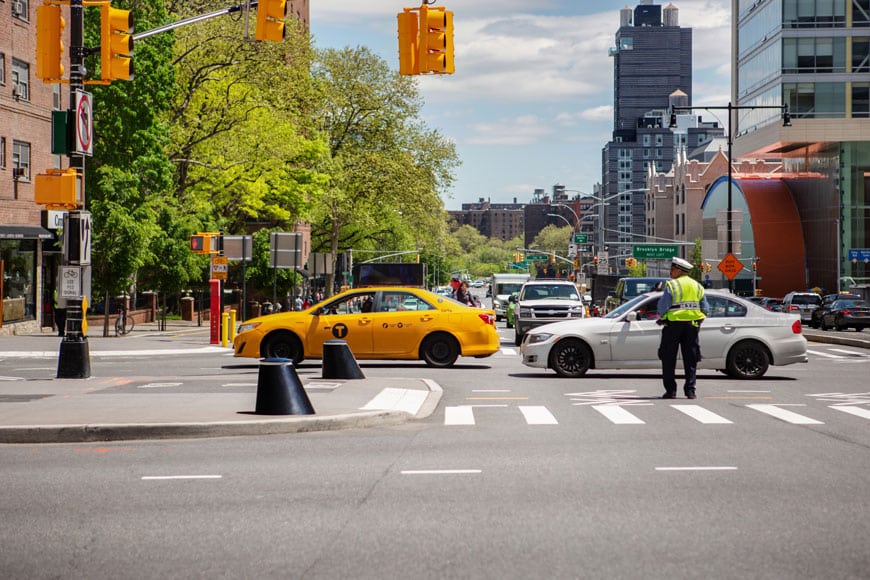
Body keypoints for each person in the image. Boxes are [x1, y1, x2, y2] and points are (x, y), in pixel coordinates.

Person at [655, 257, 709, 399]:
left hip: (673, 326)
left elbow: (662, 307)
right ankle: (690, 391)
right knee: (691, 358)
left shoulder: (672, 285)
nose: (670, 272)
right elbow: (706, 309)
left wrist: (662, 317)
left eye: (672, 269)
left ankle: (671, 391)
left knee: (668, 358)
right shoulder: (697, 286)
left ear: (679, 270)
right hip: (692, 326)